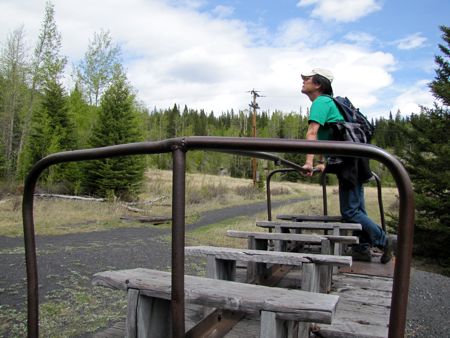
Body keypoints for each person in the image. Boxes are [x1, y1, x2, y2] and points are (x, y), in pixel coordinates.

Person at [300, 68, 392, 264]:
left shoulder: (321, 102)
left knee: (350, 212)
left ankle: (384, 241)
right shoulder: (331, 104)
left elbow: (312, 133)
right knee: (358, 209)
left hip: (350, 163)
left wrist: (308, 162)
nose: (303, 81)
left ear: (318, 84)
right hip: (354, 160)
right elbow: (333, 135)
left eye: (306, 78)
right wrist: (323, 163)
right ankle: (362, 249)